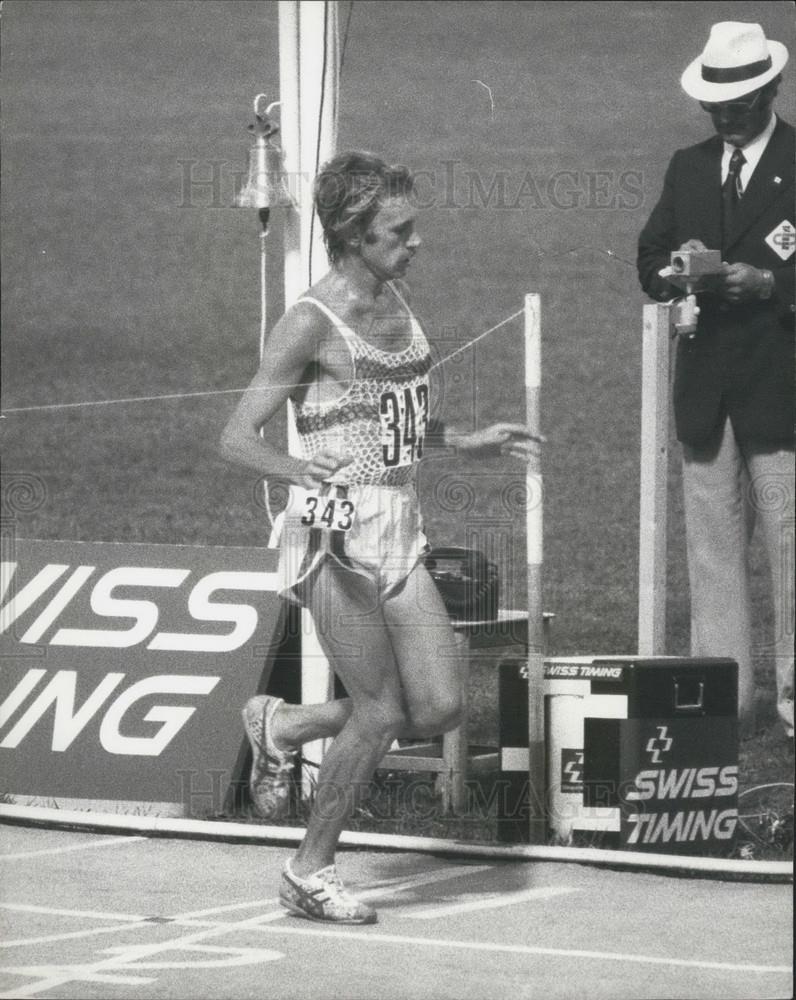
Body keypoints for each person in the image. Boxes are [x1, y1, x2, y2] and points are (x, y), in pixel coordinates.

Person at [221, 150, 539, 924]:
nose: (415, 243)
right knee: (380, 711)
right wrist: (299, 467)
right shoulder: (309, 321)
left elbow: (391, 415)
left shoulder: (396, 297)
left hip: (398, 523)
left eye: (413, 226)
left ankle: (284, 724)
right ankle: (308, 869)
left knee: (435, 707)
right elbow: (234, 437)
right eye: (398, 232)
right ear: (353, 235)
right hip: (332, 532)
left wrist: (461, 443)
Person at [637, 22, 794, 740]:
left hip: (781, 391)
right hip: (707, 395)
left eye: (737, 101)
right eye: (714, 104)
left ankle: (793, 702)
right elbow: (648, 254)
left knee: (791, 549)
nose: (724, 115)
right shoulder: (689, 166)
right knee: (713, 551)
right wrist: (677, 270)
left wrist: (771, 283)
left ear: (770, 88)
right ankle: (724, 704)